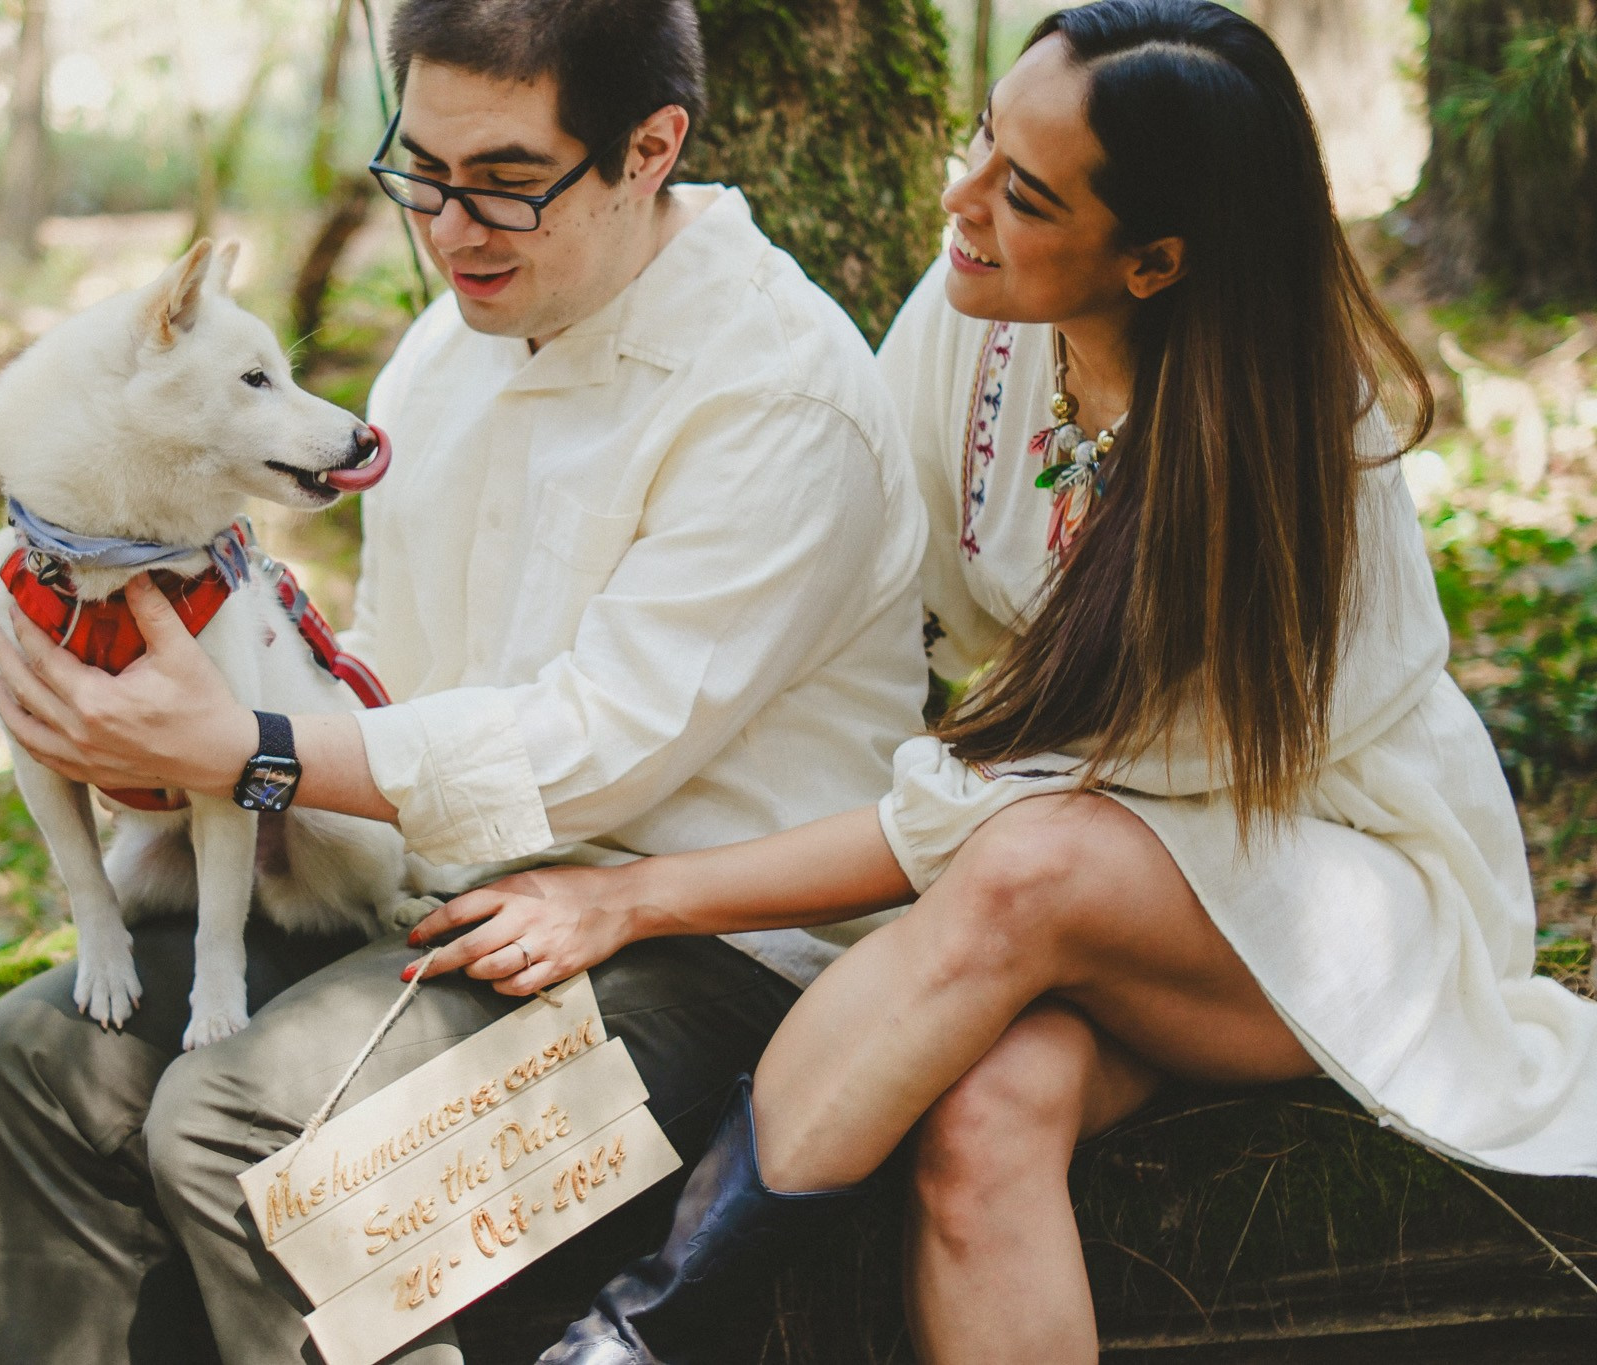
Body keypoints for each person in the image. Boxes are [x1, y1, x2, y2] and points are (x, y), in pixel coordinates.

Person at [389, 3, 1597, 1361]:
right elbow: (892, 618)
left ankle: (636, 1338)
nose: (962, 199)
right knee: (986, 1119)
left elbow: (971, 824)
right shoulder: (979, 322)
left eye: (1024, 193)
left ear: (1156, 259)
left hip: (1319, 893)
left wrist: (629, 893)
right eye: (979, 142)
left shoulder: (1274, 464)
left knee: (1036, 864)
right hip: (1075, 887)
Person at [0, 0, 931, 1360]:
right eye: (421, 171)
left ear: (650, 149)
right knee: (30, 1066)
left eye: (507, 185)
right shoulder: (450, 345)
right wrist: (156, 743)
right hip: (432, 897)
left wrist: (254, 747)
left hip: (709, 970)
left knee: (246, 1128)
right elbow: (395, 678)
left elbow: (596, 749)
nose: (450, 228)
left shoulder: (775, 395)